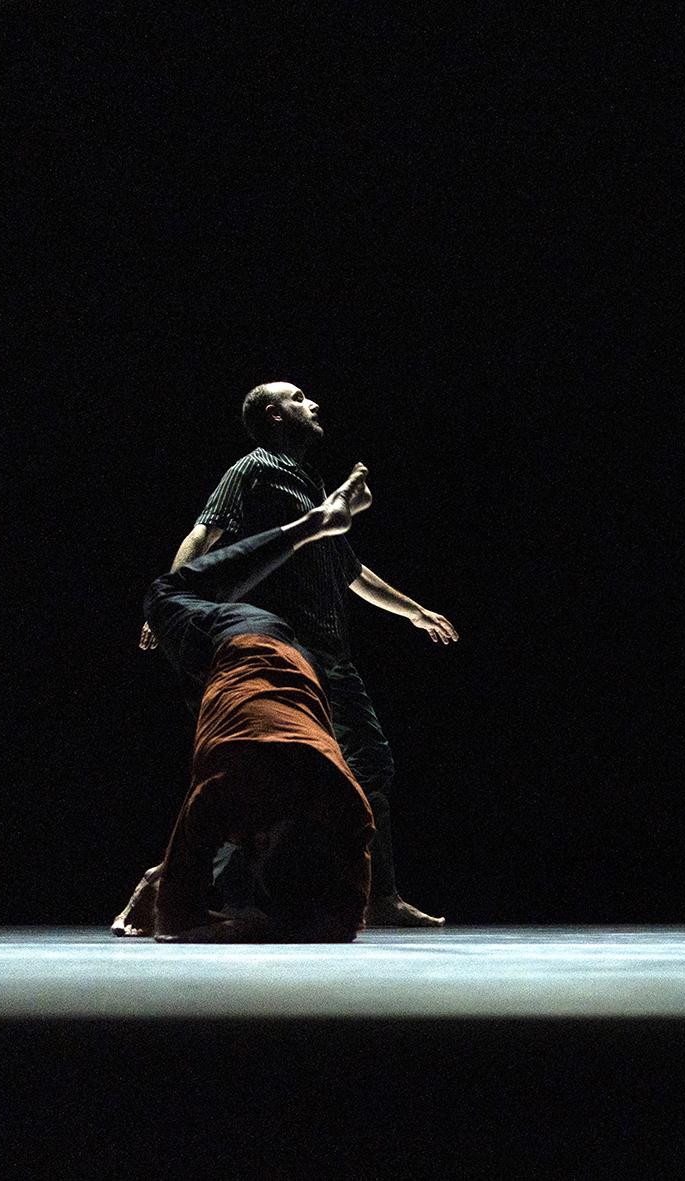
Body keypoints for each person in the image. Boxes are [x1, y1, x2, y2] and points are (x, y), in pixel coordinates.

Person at [126, 381, 456, 931]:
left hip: (331, 651)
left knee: (358, 763)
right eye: (299, 398)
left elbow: (350, 572)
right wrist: (166, 608)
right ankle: (202, 889)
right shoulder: (252, 468)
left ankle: (373, 893)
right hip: (286, 645)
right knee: (271, 767)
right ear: (273, 416)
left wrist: (415, 612)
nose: (314, 403)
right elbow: (203, 535)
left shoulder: (313, 485)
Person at [141, 464, 380, 942]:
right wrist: (245, 925)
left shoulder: (349, 809)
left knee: (209, 679)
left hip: (306, 674)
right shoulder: (228, 785)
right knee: (165, 592)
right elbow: (173, 923)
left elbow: (346, 923)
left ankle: (317, 524)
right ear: (269, 842)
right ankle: (312, 524)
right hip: (246, 644)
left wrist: (270, 923)